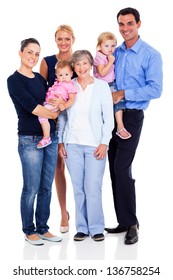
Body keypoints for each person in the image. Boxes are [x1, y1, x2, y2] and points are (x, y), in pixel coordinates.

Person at [105, 7, 163, 244]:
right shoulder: (114, 52)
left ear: (139, 24)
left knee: (122, 168)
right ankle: (123, 220)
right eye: (121, 24)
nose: (125, 28)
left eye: (129, 23)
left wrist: (123, 93)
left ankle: (132, 223)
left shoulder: (151, 54)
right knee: (113, 168)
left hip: (131, 117)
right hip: (109, 116)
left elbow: (156, 89)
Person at [7, 38, 62, 245]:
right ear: (20, 53)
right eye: (30, 52)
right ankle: (28, 230)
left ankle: (43, 227)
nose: (33, 57)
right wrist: (55, 114)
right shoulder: (14, 80)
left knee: (47, 186)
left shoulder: (40, 78)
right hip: (29, 138)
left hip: (51, 137)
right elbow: (34, 108)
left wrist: (60, 105)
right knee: (31, 187)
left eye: (37, 54)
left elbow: (51, 97)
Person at [58, 50, 114, 242]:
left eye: (85, 63)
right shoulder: (68, 86)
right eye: (77, 64)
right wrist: (60, 142)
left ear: (91, 65)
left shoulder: (101, 86)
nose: (81, 67)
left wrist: (104, 143)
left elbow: (109, 118)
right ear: (73, 67)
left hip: (94, 145)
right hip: (72, 144)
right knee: (78, 188)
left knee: (93, 187)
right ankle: (81, 227)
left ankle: (97, 227)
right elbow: (63, 116)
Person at [40, 24, 76, 233]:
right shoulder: (47, 62)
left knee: (78, 163)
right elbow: (41, 90)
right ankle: (63, 212)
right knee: (58, 166)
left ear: (73, 39)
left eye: (67, 39)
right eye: (59, 39)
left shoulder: (79, 59)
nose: (63, 43)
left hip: (77, 118)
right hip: (55, 118)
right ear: (55, 40)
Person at [93, 31, 131, 140]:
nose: (110, 48)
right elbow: (102, 73)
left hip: (111, 84)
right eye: (106, 46)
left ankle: (119, 126)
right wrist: (110, 62)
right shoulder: (99, 57)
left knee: (118, 102)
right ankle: (120, 126)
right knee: (115, 102)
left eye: (113, 45)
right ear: (99, 46)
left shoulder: (110, 56)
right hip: (103, 85)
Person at [37, 60, 77, 149]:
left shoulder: (70, 86)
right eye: (60, 75)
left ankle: (46, 137)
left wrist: (64, 106)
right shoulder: (57, 83)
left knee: (41, 116)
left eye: (66, 75)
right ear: (56, 75)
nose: (63, 77)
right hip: (49, 103)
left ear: (71, 73)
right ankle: (49, 136)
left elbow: (72, 99)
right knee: (43, 115)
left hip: (55, 105)